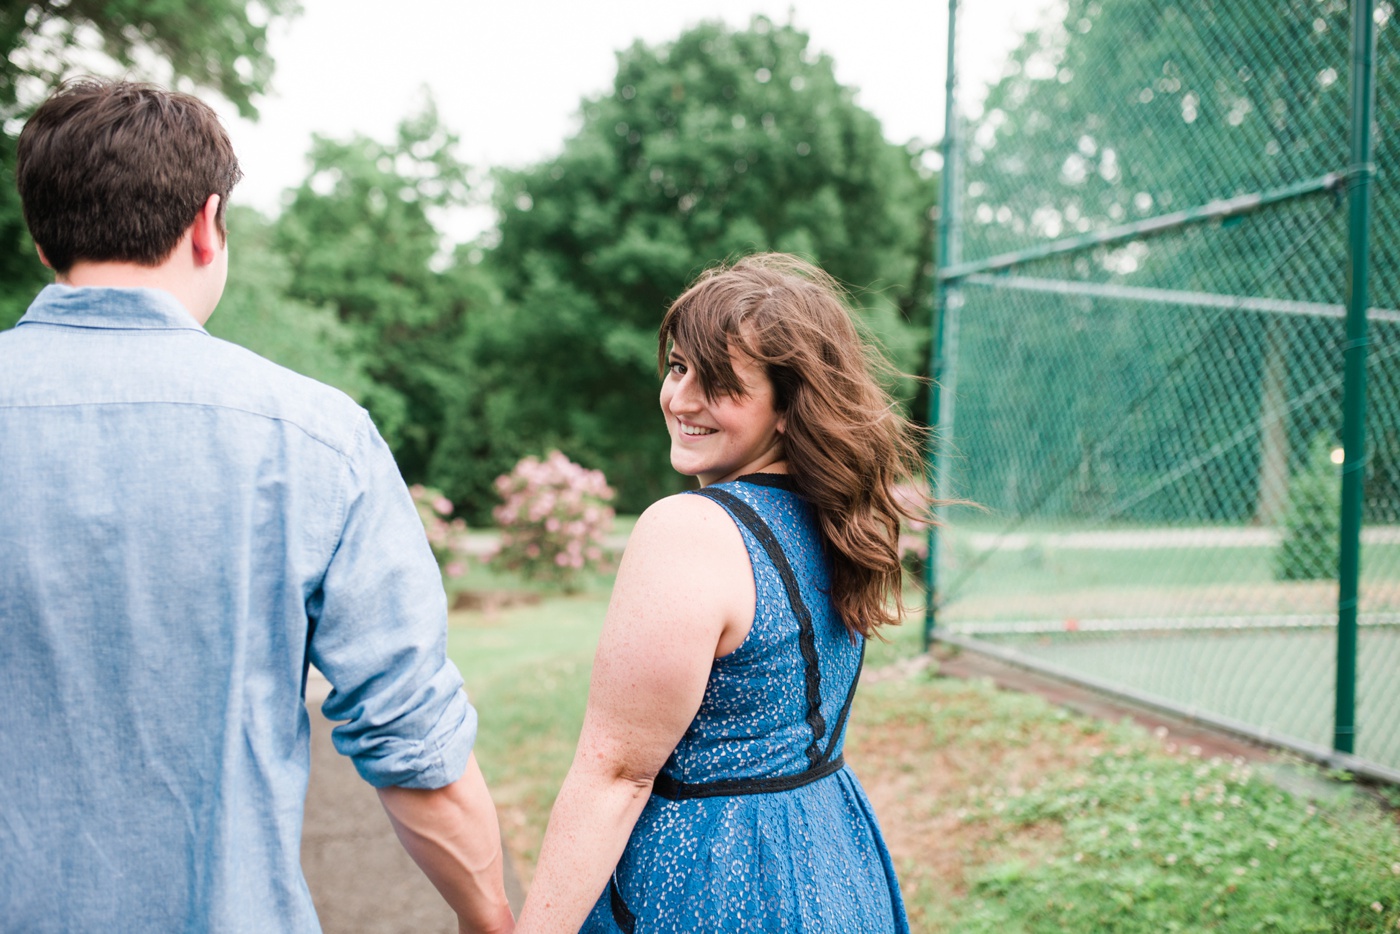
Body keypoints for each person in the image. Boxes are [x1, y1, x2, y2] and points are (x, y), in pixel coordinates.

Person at [0, 79, 514, 934]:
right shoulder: (317, 439)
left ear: (44, 237)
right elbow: (409, 733)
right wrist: (490, 916)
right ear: (207, 224)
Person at [516, 254, 920, 932]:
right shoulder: (839, 521)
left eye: (721, 382)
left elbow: (615, 776)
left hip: (709, 881)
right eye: (678, 368)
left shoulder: (690, 529)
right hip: (835, 864)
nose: (680, 399)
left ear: (791, 407)